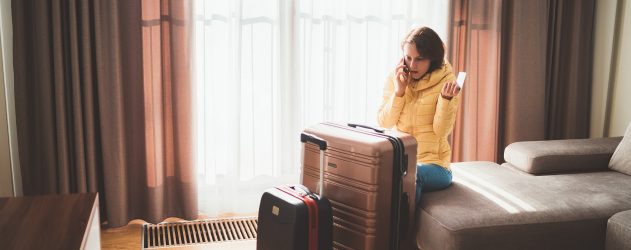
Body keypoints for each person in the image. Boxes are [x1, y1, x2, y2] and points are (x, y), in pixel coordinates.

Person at [377, 26, 461, 205]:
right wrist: (399, 92)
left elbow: (441, 131)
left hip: (435, 166)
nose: (412, 65)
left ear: (433, 58)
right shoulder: (397, 77)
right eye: (408, 58)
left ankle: (402, 233)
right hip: (401, 161)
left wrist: (445, 101)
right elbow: (384, 122)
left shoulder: (447, 83)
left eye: (419, 59)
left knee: (412, 174)